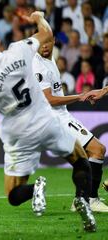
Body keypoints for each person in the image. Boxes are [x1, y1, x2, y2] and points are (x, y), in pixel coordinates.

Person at [0, 12, 96, 232]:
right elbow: (47, 33)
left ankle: (36, 189)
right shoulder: (19, 49)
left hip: (18, 134)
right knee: (80, 160)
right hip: (45, 119)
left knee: (13, 195)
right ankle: (82, 199)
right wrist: (39, 17)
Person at [32, 37, 108, 212]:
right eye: (40, 44)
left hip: (60, 115)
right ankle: (90, 199)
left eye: (47, 43)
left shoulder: (49, 60)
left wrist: (103, 90)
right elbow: (49, 99)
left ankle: (80, 200)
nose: (43, 47)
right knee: (97, 150)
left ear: (53, 43)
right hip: (54, 118)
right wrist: (80, 96)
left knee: (84, 159)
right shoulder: (39, 67)